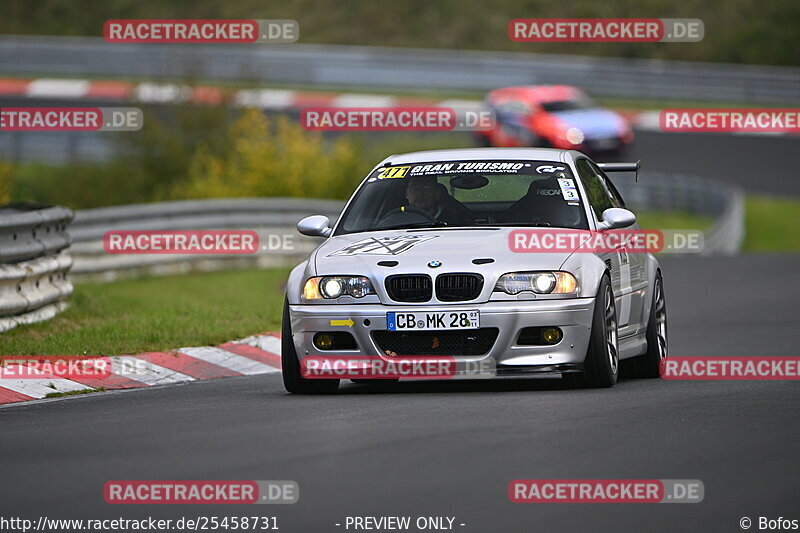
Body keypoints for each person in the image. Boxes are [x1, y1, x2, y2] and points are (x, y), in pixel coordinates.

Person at [405, 175, 472, 226]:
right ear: (407, 194)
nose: (420, 194)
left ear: (437, 194)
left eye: (426, 188)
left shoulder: (454, 220)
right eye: (415, 189)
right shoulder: (397, 220)